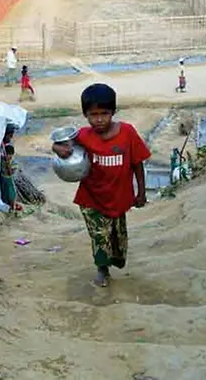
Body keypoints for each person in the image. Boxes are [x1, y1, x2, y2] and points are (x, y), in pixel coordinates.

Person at [52, 84, 151, 288]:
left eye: (104, 114)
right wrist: (57, 148)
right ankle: (102, 270)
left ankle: (113, 261)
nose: (98, 119)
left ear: (113, 112)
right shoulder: (82, 135)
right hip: (91, 198)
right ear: (85, 114)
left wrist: (141, 193)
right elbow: (60, 143)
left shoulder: (127, 133)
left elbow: (138, 164)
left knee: (117, 236)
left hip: (118, 196)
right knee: (99, 235)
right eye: (92, 114)